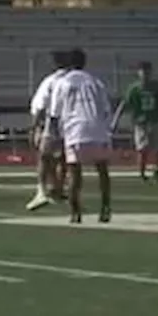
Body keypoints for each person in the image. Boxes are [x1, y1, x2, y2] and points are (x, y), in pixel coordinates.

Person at [47, 48, 113, 224]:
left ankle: (75, 212)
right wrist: (106, 130)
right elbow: (106, 109)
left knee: (74, 172)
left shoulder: (62, 83)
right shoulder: (95, 82)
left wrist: (54, 137)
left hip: (74, 128)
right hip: (97, 128)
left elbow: (54, 113)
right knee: (102, 170)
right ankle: (105, 207)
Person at [112, 61, 158, 184]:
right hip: (141, 122)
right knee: (143, 149)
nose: (145, 74)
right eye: (142, 71)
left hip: (155, 120)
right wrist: (115, 120)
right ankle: (142, 173)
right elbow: (124, 104)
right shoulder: (134, 88)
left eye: (147, 71)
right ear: (138, 73)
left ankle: (157, 170)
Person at [26, 50, 70, 211]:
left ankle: (42, 191)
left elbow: (40, 106)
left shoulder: (51, 81)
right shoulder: (76, 80)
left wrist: (34, 127)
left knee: (44, 157)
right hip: (71, 123)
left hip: (53, 122)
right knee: (63, 158)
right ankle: (58, 187)